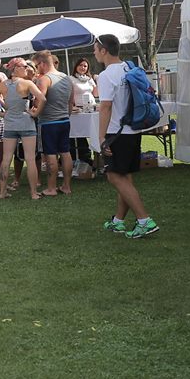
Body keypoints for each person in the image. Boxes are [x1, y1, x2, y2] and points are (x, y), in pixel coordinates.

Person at [95, 35, 158, 238]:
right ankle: (118, 221)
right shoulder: (129, 68)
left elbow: (105, 107)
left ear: (104, 50)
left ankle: (144, 220)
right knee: (125, 177)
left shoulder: (106, 75)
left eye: (96, 49)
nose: (94, 53)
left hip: (117, 133)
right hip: (132, 130)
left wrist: (101, 137)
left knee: (115, 177)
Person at [0, 58, 46, 200]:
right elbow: (43, 99)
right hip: (26, 122)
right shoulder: (28, 83)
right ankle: (33, 193)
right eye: (24, 66)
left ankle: (2, 192)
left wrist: (2, 113)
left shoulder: (2, 85)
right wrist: (35, 113)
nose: (27, 68)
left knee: (6, 159)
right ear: (15, 68)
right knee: (30, 159)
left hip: (10, 124)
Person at [34, 51, 74, 196]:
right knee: (65, 152)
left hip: (49, 122)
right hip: (64, 120)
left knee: (50, 154)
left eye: (37, 65)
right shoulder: (67, 78)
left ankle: (51, 188)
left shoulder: (44, 79)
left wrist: (34, 112)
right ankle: (66, 186)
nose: (36, 68)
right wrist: (65, 115)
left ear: (42, 64)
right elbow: (71, 102)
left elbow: (40, 100)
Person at [70, 57, 98, 168]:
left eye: (85, 66)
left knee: (93, 130)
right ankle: (79, 156)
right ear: (76, 66)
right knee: (78, 134)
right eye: (81, 65)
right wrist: (72, 106)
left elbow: (96, 94)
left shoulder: (89, 79)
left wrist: (96, 82)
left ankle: (94, 156)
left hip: (91, 107)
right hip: (78, 109)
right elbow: (70, 96)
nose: (83, 67)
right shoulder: (71, 79)